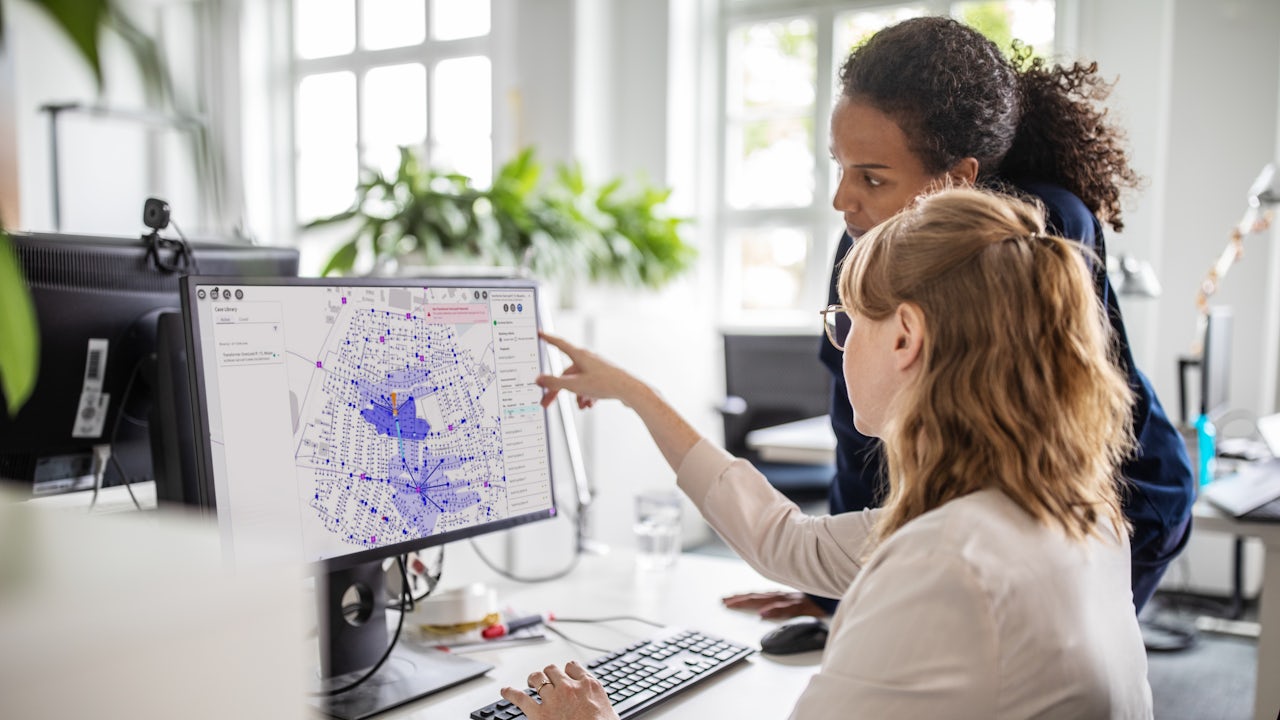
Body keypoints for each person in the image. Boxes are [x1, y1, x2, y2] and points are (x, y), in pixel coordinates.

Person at [502, 187, 1152, 719]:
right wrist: (639, 395)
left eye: (845, 323)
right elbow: (791, 541)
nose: (838, 348)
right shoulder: (1069, 513)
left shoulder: (945, 566)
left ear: (904, 337)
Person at [724, 15, 1193, 621]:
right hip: (985, 520)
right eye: (840, 166)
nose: (844, 199)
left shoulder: (1039, 231)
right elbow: (857, 430)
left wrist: (879, 589)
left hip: (1115, 501)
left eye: (872, 176)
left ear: (958, 178)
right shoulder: (862, 239)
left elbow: (1024, 445)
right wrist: (833, 591)